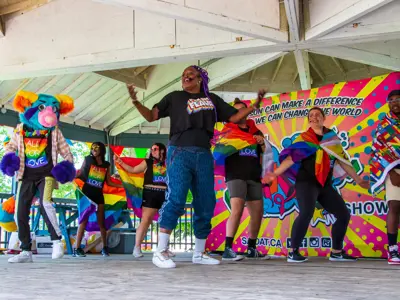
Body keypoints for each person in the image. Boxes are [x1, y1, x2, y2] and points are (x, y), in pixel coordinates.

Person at [127, 65, 266, 268]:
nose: (186, 76)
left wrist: (255, 105)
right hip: (179, 152)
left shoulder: (212, 99)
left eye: (190, 74)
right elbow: (151, 116)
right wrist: (135, 101)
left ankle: (199, 252)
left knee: (206, 201)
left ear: (201, 78)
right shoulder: (174, 97)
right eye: (183, 75)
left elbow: (234, 117)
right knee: (177, 197)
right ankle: (160, 250)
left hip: (203, 154)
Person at [262, 107, 369, 263]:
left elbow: (343, 161)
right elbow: (290, 160)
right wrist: (274, 174)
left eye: (317, 115)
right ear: (308, 120)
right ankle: (293, 252)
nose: (314, 117)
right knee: (306, 213)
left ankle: (336, 252)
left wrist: (359, 180)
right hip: (306, 182)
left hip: (324, 184)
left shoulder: (331, 138)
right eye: (311, 115)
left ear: (323, 118)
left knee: (343, 214)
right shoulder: (304, 139)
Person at [222, 99, 268, 261]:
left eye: (243, 109)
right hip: (235, 175)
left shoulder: (255, 131)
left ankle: (251, 248)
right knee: (237, 210)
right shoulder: (227, 131)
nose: (240, 112)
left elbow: (266, 153)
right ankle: (228, 248)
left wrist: (262, 143)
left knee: (257, 213)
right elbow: (219, 150)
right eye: (236, 111)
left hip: (254, 175)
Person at [114, 143, 174, 258]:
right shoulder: (147, 162)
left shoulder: (169, 162)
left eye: (155, 149)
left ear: (162, 150)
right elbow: (133, 170)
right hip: (150, 193)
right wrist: (120, 162)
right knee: (146, 220)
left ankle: (164, 248)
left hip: (166, 194)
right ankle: (136, 247)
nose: (153, 151)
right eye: (151, 149)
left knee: (168, 220)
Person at [73, 142, 123, 257]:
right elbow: (80, 173)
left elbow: (109, 182)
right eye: (92, 147)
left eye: (97, 147)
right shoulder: (88, 160)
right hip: (87, 194)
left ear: (102, 150)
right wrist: (68, 176)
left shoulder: (106, 164)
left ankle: (105, 248)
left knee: (101, 222)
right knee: (83, 220)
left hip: (98, 195)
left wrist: (123, 186)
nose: (94, 149)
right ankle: (77, 249)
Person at [370, 90, 400, 265]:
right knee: (395, 206)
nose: (394, 102)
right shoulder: (384, 125)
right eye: (391, 100)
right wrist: (391, 173)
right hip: (394, 171)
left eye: (397, 99)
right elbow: (378, 150)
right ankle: (393, 249)